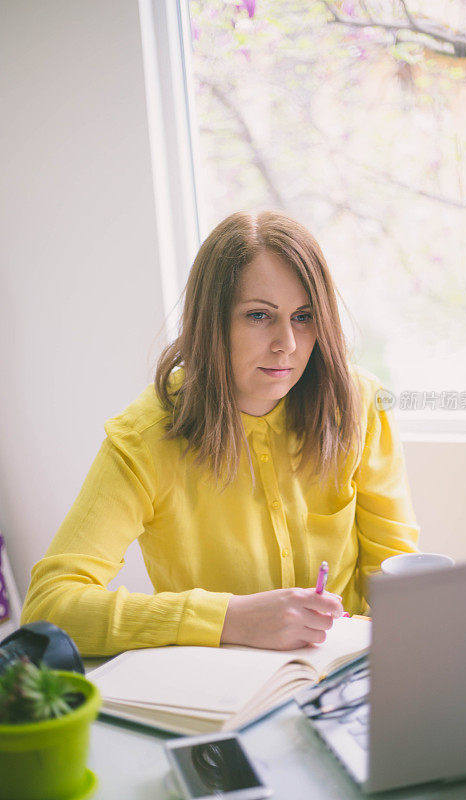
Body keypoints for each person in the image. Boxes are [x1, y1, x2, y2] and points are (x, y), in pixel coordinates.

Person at [21, 211, 419, 657]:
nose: (286, 342)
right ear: (213, 323)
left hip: (340, 680)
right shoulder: (143, 439)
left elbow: (395, 576)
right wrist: (228, 618)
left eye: (303, 316)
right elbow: (48, 608)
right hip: (215, 692)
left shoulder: (361, 405)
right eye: (259, 316)